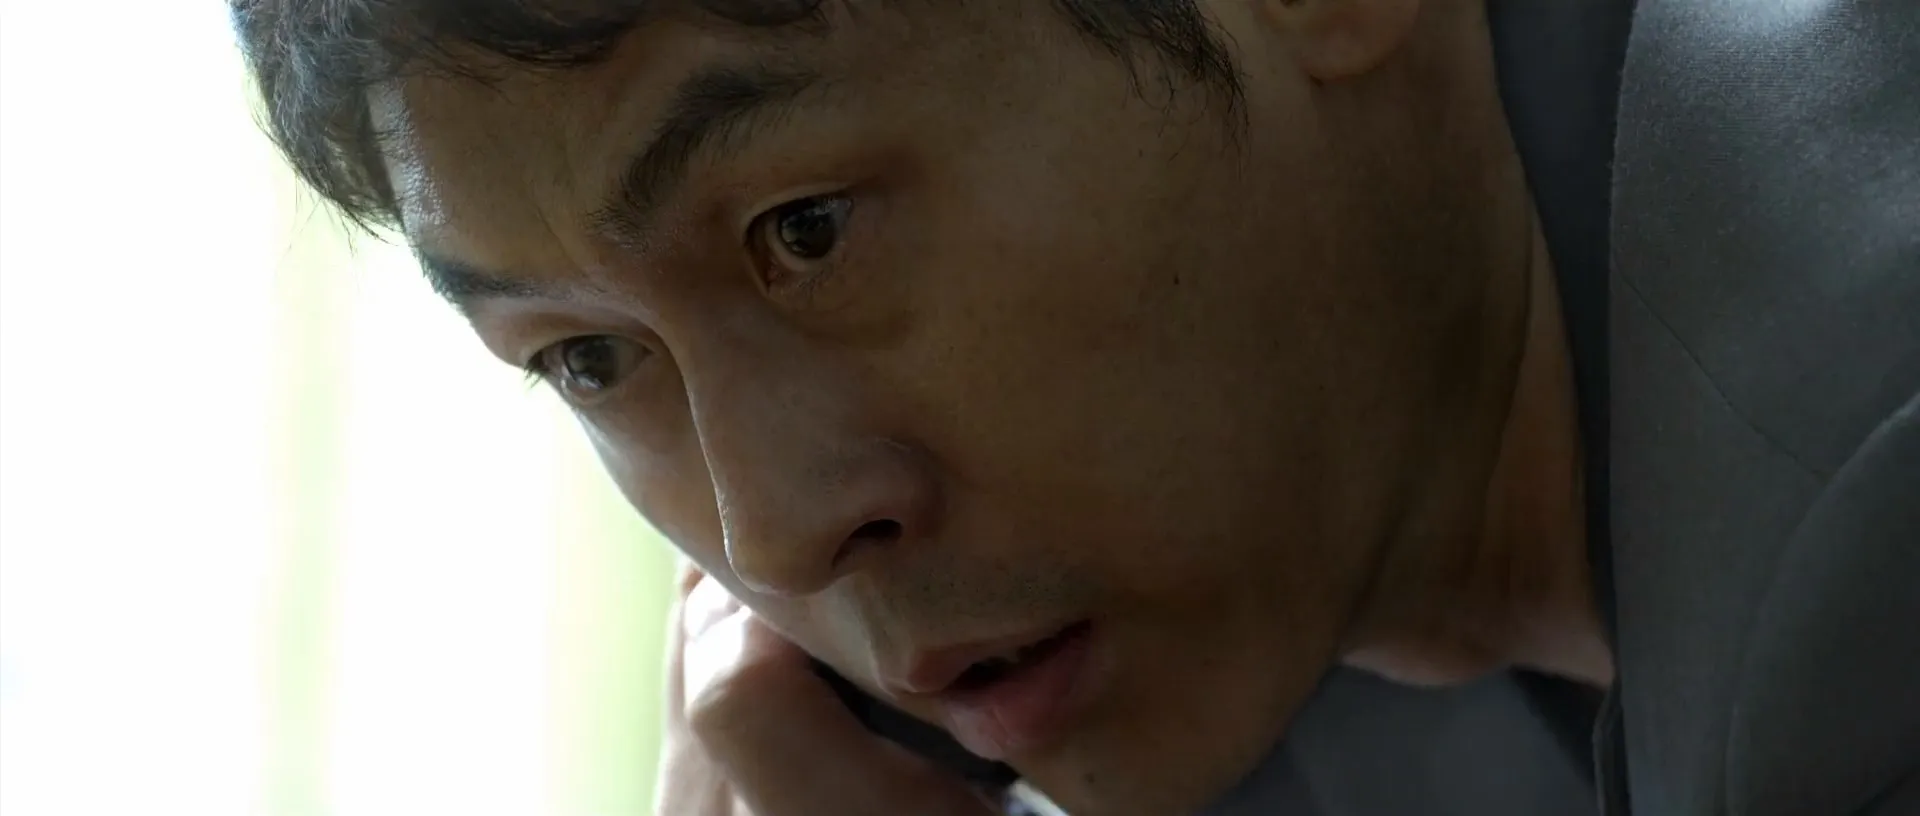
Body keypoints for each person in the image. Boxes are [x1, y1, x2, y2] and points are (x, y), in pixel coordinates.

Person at [228, 0, 1919, 813]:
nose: (774, 532)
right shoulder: (1262, 605)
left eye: (804, 231)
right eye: (587, 359)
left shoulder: (1872, 514)